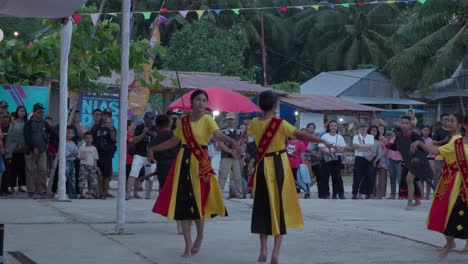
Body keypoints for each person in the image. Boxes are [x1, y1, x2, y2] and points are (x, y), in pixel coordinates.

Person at [149, 89, 241, 258]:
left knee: (199, 201)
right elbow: (173, 141)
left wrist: (231, 141)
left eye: (204, 100)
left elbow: (217, 135)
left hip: (200, 164)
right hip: (183, 162)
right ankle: (187, 243)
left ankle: (199, 235)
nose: (201, 102)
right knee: (183, 203)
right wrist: (154, 148)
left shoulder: (207, 119)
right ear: (191, 102)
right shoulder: (183, 121)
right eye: (198, 99)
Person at [244, 91, 331, 264]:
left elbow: (245, 136)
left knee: (262, 206)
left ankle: (263, 250)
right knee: (279, 207)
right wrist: (321, 141)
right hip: (279, 166)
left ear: (260, 106)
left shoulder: (255, 123)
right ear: (276, 106)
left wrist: (239, 146)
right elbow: (300, 135)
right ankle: (275, 252)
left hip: (262, 166)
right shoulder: (280, 123)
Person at [411, 114, 467, 256]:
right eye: (447, 120)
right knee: (449, 212)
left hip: (459, 182)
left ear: (460, 125)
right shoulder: (456, 141)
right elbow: (437, 151)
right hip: (453, 180)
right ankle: (450, 242)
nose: (448, 122)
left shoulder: (457, 141)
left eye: (452, 120)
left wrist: (420, 144)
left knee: (452, 212)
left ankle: (452, 243)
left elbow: (436, 150)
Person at [386, 116, 424, 209]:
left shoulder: (415, 135)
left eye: (406, 123)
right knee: (412, 181)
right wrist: (385, 142)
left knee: (409, 180)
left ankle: (409, 204)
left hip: (416, 161)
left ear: (410, 125)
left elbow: (424, 148)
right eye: (402, 123)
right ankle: (417, 201)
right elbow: (395, 147)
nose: (404, 125)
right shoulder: (399, 135)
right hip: (406, 162)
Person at [23, 103, 52, 198]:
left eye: (42, 112)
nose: (41, 113)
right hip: (31, 151)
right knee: (31, 170)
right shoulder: (28, 123)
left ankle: (42, 190)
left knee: (43, 170)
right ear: (34, 112)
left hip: (42, 150)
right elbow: (27, 137)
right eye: (39, 111)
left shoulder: (44, 123)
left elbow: (52, 132)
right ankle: (31, 191)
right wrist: (33, 147)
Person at [127, 111, 157, 200]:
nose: (149, 122)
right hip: (139, 154)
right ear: (144, 119)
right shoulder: (139, 127)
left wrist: (152, 133)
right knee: (133, 173)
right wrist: (143, 133)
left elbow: (160, 139)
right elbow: (134, 140)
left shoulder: (156, 128)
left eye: (151, 120)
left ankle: (148, 195)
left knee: (150, 175)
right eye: (148, 120)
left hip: (151, 155)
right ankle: (128, 193)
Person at [91, 108, 116, 199]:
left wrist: (110, 129)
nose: (106, 117)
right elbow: (91, 139)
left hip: (107, 154)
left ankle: (104, 193)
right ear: (102, 116)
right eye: (105, 115)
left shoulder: (112, 128)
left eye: (108, 116)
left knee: (106, 175)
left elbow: (113, 139)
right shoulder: (95, 128)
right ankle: (98, 192)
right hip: (96, 154)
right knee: (97, 174)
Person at [218, 112, 244, 198]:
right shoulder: (222, 131)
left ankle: (239, 193)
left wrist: (239, 152)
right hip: (226, 156)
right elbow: (221, 144)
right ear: (227, 120)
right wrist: (230, 151)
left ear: (235, 120)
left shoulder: (239, 132)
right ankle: (218, 194)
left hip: (237, 157)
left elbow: (243, 144)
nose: (231, 121)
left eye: (232, 119)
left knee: (238, 176)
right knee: (223, 175)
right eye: (229, 119)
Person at [318, 120, 347, 200]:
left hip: (337, 158)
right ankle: (325, 194)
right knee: (325, 176)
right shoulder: (325, 136)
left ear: (337, 127)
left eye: (335, 125)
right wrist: (328, 152)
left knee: (337, 177)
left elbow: (343, 147)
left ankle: (339, 194)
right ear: (329, 127)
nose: (333, 127)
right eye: (332, 125)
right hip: (326, 158)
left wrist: (336, 150)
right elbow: (320, 146)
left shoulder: (340, 136)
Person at [149, 114, 178, 191]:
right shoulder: (176, 137)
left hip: (162, 167)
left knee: (164, 191)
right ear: (169, 124)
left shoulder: (155, 140)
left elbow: (151, 159)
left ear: (157, 126)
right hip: (176, 166)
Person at [5, 106, 28, 194]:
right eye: (20, 111)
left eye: (24, 111)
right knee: (13, 169)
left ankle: (21, 186)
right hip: (14, 149)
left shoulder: (26, 123)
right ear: (17, 112)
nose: (22, 112)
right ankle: (11, 186)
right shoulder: (13, 122)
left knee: (22, 169)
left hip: (23, 149)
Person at [352, 123, 375, 199]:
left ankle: (368, 193)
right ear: (359, 128)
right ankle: (354, 193)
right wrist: (365, 147)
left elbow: (371, 146)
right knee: (357, 176)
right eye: (361, 127)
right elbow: (355, 146)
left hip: (368, 159)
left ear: (367, 128)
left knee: (369, 176)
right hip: (359, 158)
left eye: (365, 127)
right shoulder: (356, 136)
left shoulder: (370, 136)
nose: (363, 129)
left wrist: (360, 146)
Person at [432, 114, 452, 188]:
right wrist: (444, 141)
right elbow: (434, 143)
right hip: (439, 156)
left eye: (448, 119)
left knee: (450, 174)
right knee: (437, 175)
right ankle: (436, 192)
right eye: (444, 119)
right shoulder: (438, 131)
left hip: (451, 157)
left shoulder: (454, 130)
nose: (446, 121)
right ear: (441, 121)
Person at [78, 132, 99, 198]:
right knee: (82, 179)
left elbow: (95, 158)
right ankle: (82, 194)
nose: (88, 140)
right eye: (87, 138)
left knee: (94, 180)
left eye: (90, 138)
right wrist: (81, 158)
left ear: (92, 139)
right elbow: (78, 156)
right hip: (83, 166)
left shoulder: (94, 148)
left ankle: (96, 194)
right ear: (84, 139)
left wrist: (95, 167)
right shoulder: (81, 148)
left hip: (92, 166)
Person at [386, 129, 402, 199]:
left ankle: (400, 195)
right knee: (392, 178)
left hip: (399, 160)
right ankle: (392, 194)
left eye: (395, 132)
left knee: (399, 179)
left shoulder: (402, 140)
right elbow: (387, 149)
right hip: (391, 160)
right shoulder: (391, 139)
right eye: (393, 132)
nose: (394, 133)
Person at [367, 125, 382, 199]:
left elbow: (380, 153)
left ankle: (370, 193)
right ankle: (361, 192)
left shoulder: (377, 142)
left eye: (375, 131)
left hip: (373, 160)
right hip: (365, 159)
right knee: (364, 177)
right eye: (372, 130)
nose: (374, 132)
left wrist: (375, 161)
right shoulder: (365, 140)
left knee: (372, 177)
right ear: (369, 131)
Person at [375, 125, 388, 199]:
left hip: (383, 159)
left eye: (382, 129)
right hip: (374, 158)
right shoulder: (374, 139)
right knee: (373, 176)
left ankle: (381, 193)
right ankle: (373, 193)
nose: (381, 131)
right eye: (379, 129)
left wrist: (385, 141)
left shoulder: (385, 139)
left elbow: (388, 148)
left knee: (382, 177)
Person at [421, 125, 435, 200]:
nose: (425, 132)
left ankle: (427, 195)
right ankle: (422, 194)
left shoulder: (431, 140)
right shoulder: (419, 139)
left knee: (428, 179)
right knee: (421, 179)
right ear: (421, 131)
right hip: (421, 161)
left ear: (430, 132)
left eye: (427, 130)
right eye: (424, 130)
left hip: (429, 161)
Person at [65, 126, 79, 198]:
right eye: (69, 133)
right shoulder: (64, 142)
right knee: (64, 177)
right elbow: (65, 154)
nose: (71, 134)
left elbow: (76, 152)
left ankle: (72, 193)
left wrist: (74, 153)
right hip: (66, 162)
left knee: (72, 178)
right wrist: (71, 153)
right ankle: (62, 191)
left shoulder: (73, 143)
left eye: (72, 133)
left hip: (72, 162)